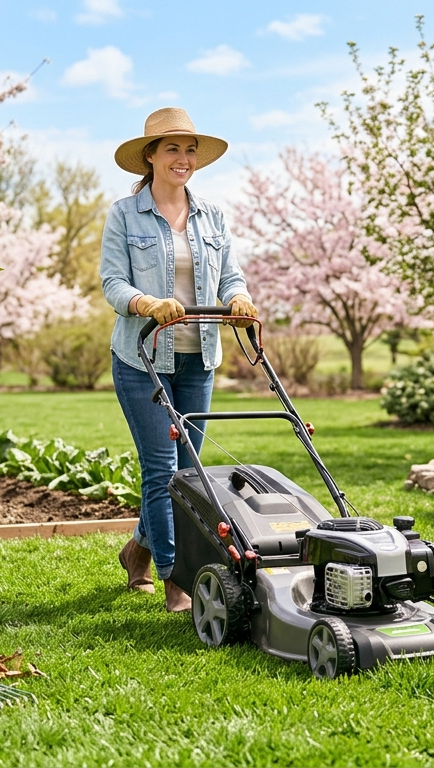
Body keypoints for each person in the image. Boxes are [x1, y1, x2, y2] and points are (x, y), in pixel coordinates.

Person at [100, 107, 257, 612]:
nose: (183, 158)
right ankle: (177, 579)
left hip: (198, 357)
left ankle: (137, 551)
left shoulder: (212, 215)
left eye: (190, 149)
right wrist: (147, 303)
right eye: (172, 148)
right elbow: (112, 283)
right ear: (150, 156)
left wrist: (239, 299)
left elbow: (230, 275)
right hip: (142, 356)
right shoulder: (125, 215)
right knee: (162, 471)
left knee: (191, 473)